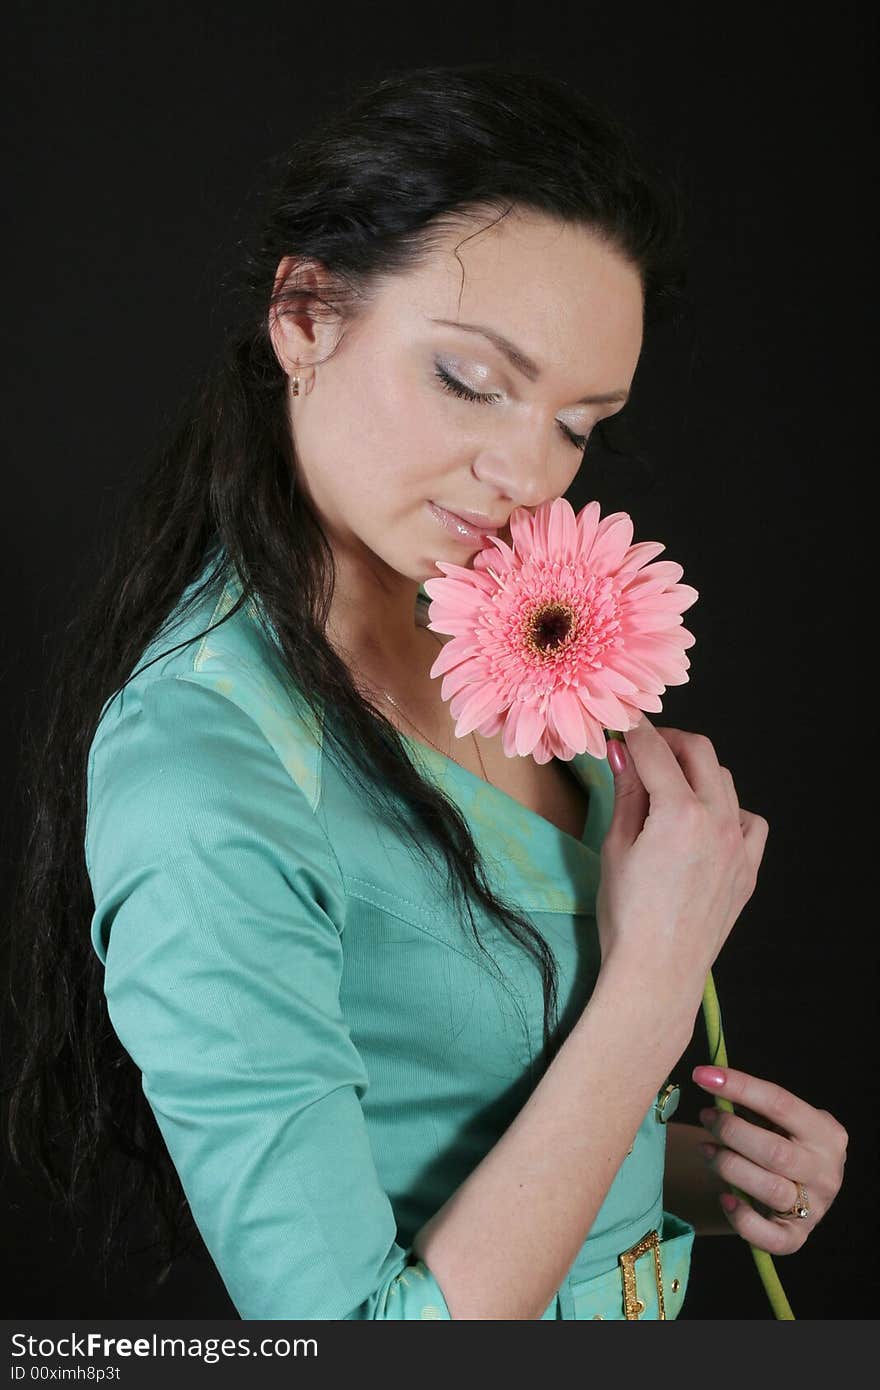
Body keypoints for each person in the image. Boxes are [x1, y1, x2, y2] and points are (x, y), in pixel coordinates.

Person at [4, 62, 847, 1321]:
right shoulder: (204, 771)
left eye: (580, 422)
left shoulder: (503, 632)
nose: (524, 469)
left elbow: (457, 1126)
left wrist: (685, 1174)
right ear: (304, 316)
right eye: (469, 379)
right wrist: (657, 979)